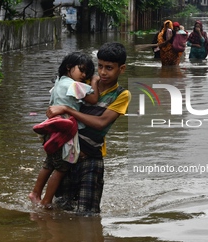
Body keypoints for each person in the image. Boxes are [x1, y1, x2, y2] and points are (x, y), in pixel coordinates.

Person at [45, 42, 131, 214]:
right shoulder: (81, 82)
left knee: (88, 216)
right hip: (67, 156)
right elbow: (59, 97)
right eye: (100, 66)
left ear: (121, 69)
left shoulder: (121, 95)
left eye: (109, 68)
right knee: (59, 212)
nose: (103, 72)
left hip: (91, 159)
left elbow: (101, 123)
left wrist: (67, 110)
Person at [29, 52, 99, 208]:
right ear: (69, 67)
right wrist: (94, 80)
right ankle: (46, 201)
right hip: (63, 133)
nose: (84, 75)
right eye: (81, 70)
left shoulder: (58, 83)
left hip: (51, 130)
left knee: (49, 164)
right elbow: (93, 99)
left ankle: (35, 193)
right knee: (61, 168)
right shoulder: (73, 85)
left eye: (87, 72)